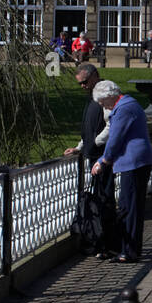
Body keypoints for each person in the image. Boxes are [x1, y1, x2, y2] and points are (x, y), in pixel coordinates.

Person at [90, 80, 152, 263]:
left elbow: (115, 139)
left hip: (134, 162)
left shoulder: (123, 109)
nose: (103, 106)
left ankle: (129, 252)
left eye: (103, 102)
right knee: (131, 206)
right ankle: (128, 249)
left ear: (110, 96)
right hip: (137, 161)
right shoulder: (129, 104)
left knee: (129, 207)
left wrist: (104, 161)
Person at [64, 64, 116, 258]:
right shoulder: (93, 96)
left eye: (85, 82)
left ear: (95, 76)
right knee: (99, 198)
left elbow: (111, 125)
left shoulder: (105, 93)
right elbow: (90, 128)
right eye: (80, 83)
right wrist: (80, 147)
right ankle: (100, 242)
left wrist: (95, 142)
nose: (83, 86)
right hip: (94, 155)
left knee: (105, 199)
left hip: (103, 157)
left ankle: (108, 244)